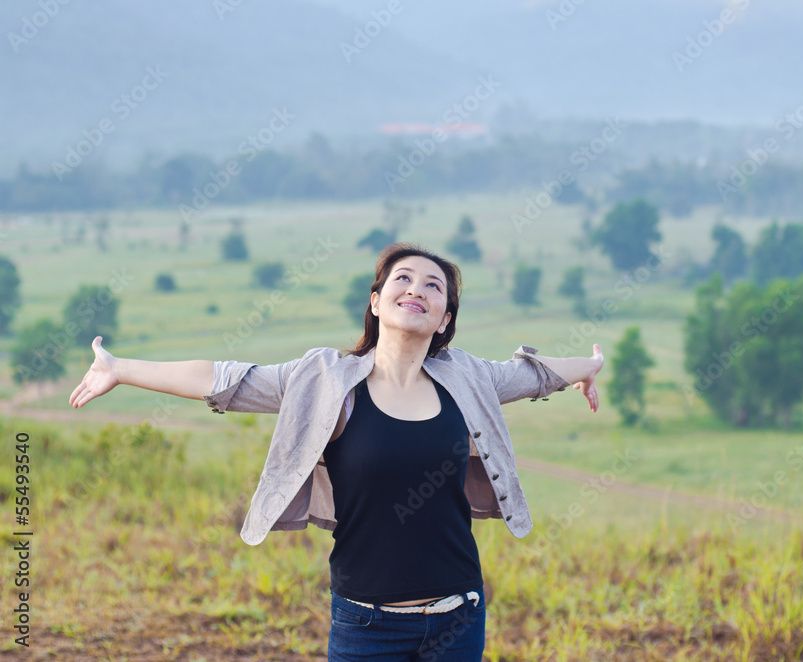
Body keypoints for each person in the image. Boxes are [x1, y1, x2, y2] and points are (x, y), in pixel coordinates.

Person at [70, 242, 604, 661]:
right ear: (376, 301)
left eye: (433, 286)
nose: (416, 289)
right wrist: (121, 368)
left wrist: (589, 367)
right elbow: (226, 379)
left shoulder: (467, 378)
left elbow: (533, 375)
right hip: (365, 621)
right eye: (403, 278)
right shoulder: (324, 380)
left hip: (457, 615)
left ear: (445, 318)